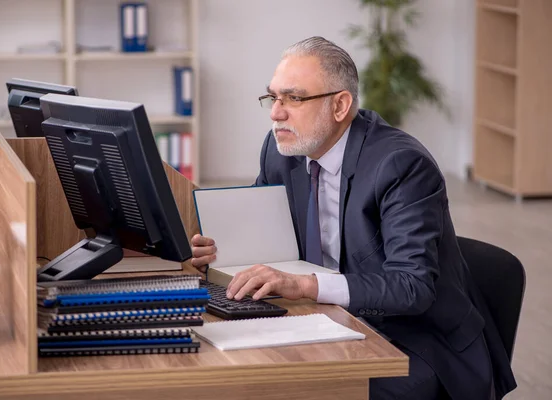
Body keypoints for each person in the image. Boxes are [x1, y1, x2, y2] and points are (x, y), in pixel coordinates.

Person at [190, 36, 516, 400]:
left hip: (414, 341)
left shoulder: (401, 165)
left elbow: (412, 287)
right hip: (324, 321)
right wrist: (220, 249)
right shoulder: (282, 150)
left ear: (340, 105)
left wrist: (307, 286)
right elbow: (268, 232)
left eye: (293, 98)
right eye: (273, 97)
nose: (276, 113)